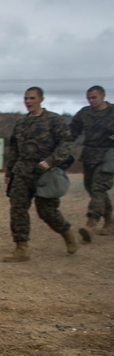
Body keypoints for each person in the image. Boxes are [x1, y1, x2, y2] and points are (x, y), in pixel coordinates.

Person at [2, 87, 78, 261]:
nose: (28, 101)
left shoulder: (54, 121)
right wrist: (9, 172)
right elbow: (14, 148)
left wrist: (51, 160)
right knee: (18, 209)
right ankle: (22, 248)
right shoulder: (21, 123)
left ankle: (67, 233)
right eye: (26, 98)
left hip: (46, 173)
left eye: (32, 98)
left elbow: (65, 144)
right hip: (22, 172)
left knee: (47, 211)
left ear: (41, 99)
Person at [71, 85, 114, 241]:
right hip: (90, 154)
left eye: (94, 97)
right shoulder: (85, 113)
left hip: (110, 154)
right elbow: (72, 131)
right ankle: (110, 220)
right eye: (88, 98)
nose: (91, 101)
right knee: (92, 189)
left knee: (98, 188)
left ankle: (91, 224)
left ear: (103, 95)